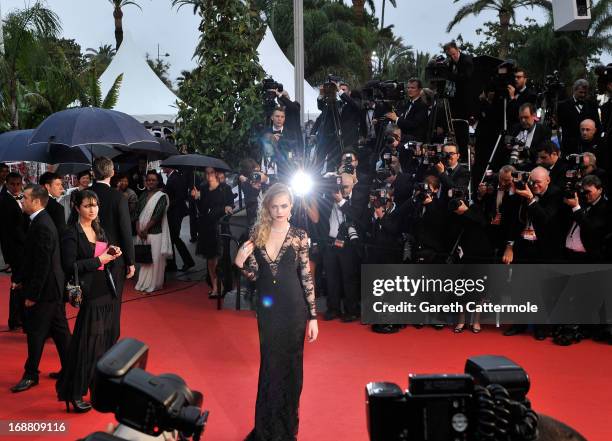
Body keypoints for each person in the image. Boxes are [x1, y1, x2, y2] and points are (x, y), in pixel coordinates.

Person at [234, 183, 318, 441]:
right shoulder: (256, 233)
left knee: (292, 372)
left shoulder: (300, 236)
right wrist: (240, 264)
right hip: (269, 313)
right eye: (274, 206)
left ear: (291, 207)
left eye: (284, 206)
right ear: (267, 209)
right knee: (270, 369)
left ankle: (286, 432)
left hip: (294, 311)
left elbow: (306, 276)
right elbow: (257, 276)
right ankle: (265, 431)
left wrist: (313, 316)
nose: (279, 211)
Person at [56, 190, 121, 412]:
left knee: (104, 345)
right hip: (89, 294)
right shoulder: (71, 233)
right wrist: (97, 260)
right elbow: (69, 266)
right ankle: (73, 392)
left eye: (95, 205)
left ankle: (96, 388)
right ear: (77, 208)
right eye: (87, 206)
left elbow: (105, 261)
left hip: (107, 292)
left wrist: (112, 254)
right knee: (86, 346)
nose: (92, 210)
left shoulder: (99, 229)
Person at [11, 184, 71, 394]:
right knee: (61, 332)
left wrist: (32, 295)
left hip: (46, 291)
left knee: (36, 332)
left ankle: (31, 374)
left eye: (25, 198)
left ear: (36, 201)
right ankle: (70, 369)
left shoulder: (43, 225)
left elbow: (42, 264)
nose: (22, 201)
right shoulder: (37, 221)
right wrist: (20, 279)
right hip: (52, 289)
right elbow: (32, 258)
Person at [91, 157, 135, 342]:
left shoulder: (85, 194)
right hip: (113, 255)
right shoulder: (118, 197)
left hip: (89, 255)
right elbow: (126, 231)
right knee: (114, 300)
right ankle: (110, 338)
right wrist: (130, 262)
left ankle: (93, 337)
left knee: (92, 301)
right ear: (112, 173)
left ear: (93, 173)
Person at [192, 167, 232, 297]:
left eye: (211, 172)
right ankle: (215, 286)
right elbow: (202, 210)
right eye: (207, 172)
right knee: (210, 259)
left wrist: (226, 208)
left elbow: (230, 206)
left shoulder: (224, 189)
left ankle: (221, 286)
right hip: (206, 227)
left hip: (219, 228)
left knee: (220, 259)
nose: (209, 175)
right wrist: (197, 198)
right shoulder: (203, 188)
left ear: (216, 173)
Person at [134, 171, 172, 293]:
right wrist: (138, 229)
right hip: (142, 233)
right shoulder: (143, 195)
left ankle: (154, 284)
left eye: (153, 180)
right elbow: (137, 213)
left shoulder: (162, 196)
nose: (150, 182)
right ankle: (143, 282)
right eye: (148, 180)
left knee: (155, 260)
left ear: (158, 181)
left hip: (155, 233)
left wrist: (145, 229)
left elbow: (158, 215)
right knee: (145, 260)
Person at [162, 166, 195, 272]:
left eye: (163, 166)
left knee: (174, 237)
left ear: (169, 167)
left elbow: (181, 196)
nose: (162, 167)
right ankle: (173, 264)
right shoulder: (172, 177)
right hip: (174, 212)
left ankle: (186, 262)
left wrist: (169, 204)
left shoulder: (176, 178)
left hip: (176, 212)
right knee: (172, 238)